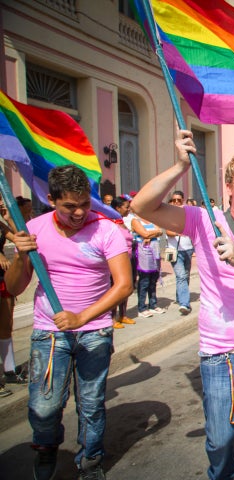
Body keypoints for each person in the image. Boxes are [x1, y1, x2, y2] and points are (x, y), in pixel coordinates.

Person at [131, 129, 234, 480]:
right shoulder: (203, 221)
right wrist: (180, 165)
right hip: (221, 355)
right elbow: (141, 206)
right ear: (230, 186)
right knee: (219, 443)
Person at [4, 165, 132, 480]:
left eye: (84, 204)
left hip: (94, 334)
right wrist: (22, 256)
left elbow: (124, 284)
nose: (79, 212)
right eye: (69, 206)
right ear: (51, 199)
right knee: (44, 407)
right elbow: (14, 287)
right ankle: (46, 450)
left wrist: (81, 317)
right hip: (49, 335)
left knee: (90, 404)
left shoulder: (106, 230)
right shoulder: (34, 229)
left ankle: (90, 462)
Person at [0, 196, 32, 397]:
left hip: (2, 277)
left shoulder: (1, 224)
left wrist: (9, 217)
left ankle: (9, 370)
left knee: (6, 323)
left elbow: (22, 236)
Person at [131, 213, 166, 318]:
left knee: (153, 280)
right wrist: (151, 234)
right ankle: (142, 307)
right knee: (144, 281)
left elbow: (160, 232)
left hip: (154, 252)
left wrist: (149, 234)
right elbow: (144, 234)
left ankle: (153, 304)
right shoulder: (135, 220)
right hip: (144, 252)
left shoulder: (152, 218)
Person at [165, 190, 194, 315]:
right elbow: (168, 231)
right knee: (181, 276)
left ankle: (180, 297)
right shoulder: (168, 214)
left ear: (183, 200)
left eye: (179, 200)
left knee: (185, 275)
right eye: (174, 200)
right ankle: (184, 304)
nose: (176, 202)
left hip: (188, 249)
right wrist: (178, 232)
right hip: (175, 251)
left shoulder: (187, 214)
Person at [110, 196, 135, 328]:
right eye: (126, 207)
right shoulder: (109, 222)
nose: (128, 209)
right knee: (115, 288)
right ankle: (112, 318)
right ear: (117, 208)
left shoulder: (122, 221)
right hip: (115, 262)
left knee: (126, 288)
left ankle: (123, 315)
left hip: (128, 259)